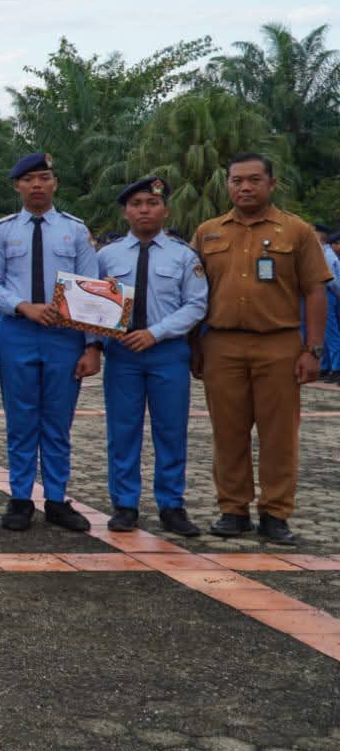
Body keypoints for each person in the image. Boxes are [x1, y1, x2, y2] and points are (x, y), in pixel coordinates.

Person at [190, 153, 330, 546]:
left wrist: (313, 350)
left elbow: (315, 291)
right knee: (228, 432)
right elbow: (192, 294)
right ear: (228, 185)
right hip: (221, 344)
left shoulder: (297, 231)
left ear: (271, 184)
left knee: (278, 434)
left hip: (279, 345)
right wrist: (194, 346)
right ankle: (233, 510)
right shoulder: (208, 232)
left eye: (254, 180)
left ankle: (275, 512)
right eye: (237, 181)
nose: (245, 188)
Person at [0, 152, 102, 532]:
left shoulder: (75, 230)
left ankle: (55, 498)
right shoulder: (3, 230)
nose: (36, 185)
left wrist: (91, 346)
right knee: (20, 421)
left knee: (57, 422)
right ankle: (20, 498)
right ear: (17, 186)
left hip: (63, 337)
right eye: (28, 179)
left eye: (44, 178)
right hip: (17, 332)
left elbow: (92, 291)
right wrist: (22, 306)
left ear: (55, 183)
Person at [96, 177, 209, 536]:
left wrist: (155, 333)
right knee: (123, 430)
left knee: (171, 430)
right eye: (137, 204)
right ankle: (125, 504)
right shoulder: (106, 256)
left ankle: (172, 506)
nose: (144, 210)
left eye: (152, 203)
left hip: (167, 352)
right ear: (126, 211)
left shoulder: (183, 256)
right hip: (123, 353)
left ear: (166, 209)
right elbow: (91, 303)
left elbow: (197, 305)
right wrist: (96, 343)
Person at [323, 231, 340, 382]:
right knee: (331, 333)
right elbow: (332, 281)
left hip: (330, 295)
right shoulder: (329, 255)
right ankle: (333, 368)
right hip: (330, 294)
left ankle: (332, 367)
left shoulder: (329, 255)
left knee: (331, 333)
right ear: (335, 243)